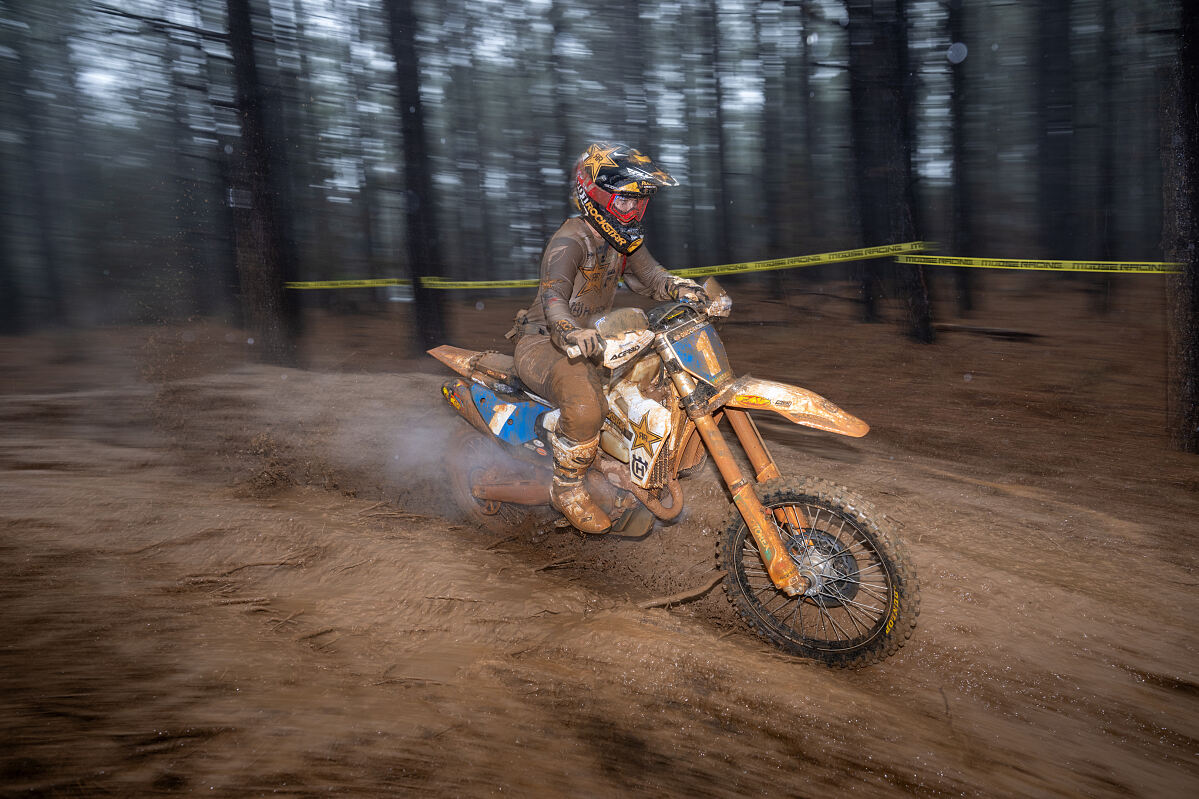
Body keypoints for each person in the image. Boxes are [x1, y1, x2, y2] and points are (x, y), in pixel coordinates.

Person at [510, 142, 709, 533]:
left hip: (597, 342)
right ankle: (566, 488)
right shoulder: (570, 241)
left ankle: (628, 469)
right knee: (587, 405)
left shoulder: (621, 241)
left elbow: (652, 278)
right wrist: (570, 331)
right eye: (625, 201)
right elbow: (554, 298)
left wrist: (682, 288)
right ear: (594, 196)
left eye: (639, 202)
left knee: (656, 380)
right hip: (545, 343)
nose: (633, 211)